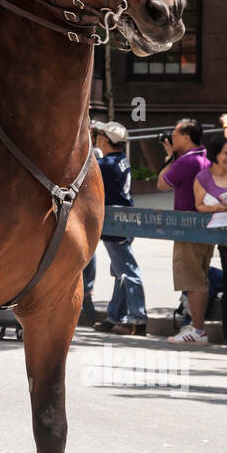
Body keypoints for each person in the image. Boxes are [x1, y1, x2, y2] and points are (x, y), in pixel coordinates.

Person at [82, 121, 147, 334]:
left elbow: (84, 170)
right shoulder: (120, 160)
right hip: (124, 218)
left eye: (100, 135)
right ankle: (116, 315)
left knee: (127, 271)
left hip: (115, 220)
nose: (98, 137)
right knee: (120, 272)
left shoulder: (106, 164)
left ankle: (138, 318)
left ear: (105, 140)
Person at [158, 118, 211, 346]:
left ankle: (198, 330)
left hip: (187, 227)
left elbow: (161, 183)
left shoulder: (186, 161)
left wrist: (170, 156)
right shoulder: (205, 157)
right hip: (204, 226)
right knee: (199, 276)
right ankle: (196, 326)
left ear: (187, 138)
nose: (173, 138)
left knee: (193, 280)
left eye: (176, 135)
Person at [192, 132, 227, 350]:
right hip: (224, 238)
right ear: (215, 154)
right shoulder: (203, 177)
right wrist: (219, 208)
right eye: (226, 153)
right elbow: (199, 205)